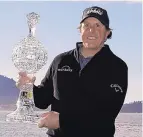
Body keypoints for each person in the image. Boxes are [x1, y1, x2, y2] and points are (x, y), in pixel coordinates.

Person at [16, 6, 128, 137]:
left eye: (98, 25)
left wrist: (62, 121)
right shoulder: (61, 60)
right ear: (80, 30)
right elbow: (42, 101)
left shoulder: (117, 67)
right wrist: (28, 88)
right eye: (86, 25)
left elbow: (106, 116)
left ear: (107, 32)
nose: (91, 30)